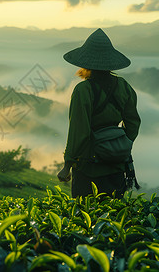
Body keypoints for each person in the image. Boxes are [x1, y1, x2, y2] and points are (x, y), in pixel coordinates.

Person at [57, 28, 141, 198]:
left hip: (89, 167)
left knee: (86, 217)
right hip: (117, 167)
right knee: (113, 218)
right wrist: (117, 146)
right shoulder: (123, 86)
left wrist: (67, 165)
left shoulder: (83, 90)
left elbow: (79, 131)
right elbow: (133, 124)